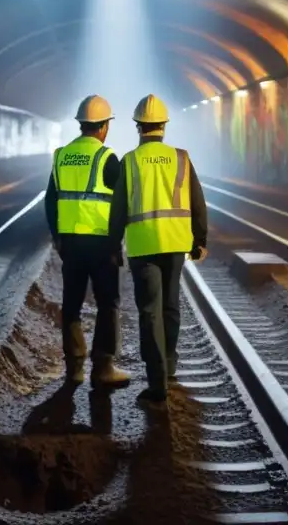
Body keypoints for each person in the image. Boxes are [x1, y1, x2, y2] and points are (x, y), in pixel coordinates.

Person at [109, 93, 208, 408]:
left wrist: (113, 245)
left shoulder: (130, 160)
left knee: (150, 312)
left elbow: (118, 209)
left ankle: (157, 383)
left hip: (144, 246)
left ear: (139, 126)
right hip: (176, 243)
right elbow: (197, 201)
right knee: (170, 307)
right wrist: (199, 240)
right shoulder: (181, 157)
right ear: (164, 125)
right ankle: (170, 365)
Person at [45, 95, 130, 388]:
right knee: (108, 303)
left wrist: (57, 237)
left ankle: (75, 369)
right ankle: (103, 368)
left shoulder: (61, 155)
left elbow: (50, 200)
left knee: (72, 305)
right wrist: (116, 243)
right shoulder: (107, 158)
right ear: (104, 126)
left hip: (71, 244)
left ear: (81, 125)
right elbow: (121, 205)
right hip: (101, 244)